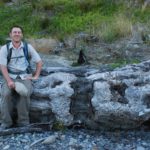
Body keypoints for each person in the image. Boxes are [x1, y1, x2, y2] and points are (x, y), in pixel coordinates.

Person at [0, 25, 43, 129]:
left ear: (22, 35)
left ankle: (23, 122)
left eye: (19, 32)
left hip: (25, 76)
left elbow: (39, 62)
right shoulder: (4, 49)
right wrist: (9, 81)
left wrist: (36, 76)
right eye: (15, 32)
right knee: (6, 95)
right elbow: (3, 66)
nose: (17, 34)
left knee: (25, 94)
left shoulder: (28, 47)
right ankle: (6, 122)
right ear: (10, 35)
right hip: (10, 76)